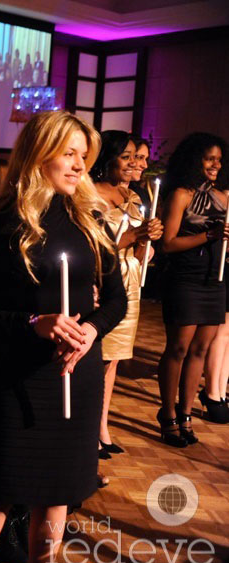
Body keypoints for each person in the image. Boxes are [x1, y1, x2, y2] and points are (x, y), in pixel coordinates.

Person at [0, 111, 127, 563]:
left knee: (58, 499)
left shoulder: (90, 219)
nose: (79, 166)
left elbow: (117, 300)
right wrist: (31, 324)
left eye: (84, 156)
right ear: (39, 154)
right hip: (19, 374)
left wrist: (90, 331)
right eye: (69, 154)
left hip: (77, 372)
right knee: (2, 491)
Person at [90, 131, 163, 471]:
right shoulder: (88, 194)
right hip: (101, 281)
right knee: (94, 359)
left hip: (129, 281)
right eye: (127, 156)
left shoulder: (132, 195)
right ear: (108, 158)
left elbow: (137, 249)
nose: (135, 162)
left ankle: (102, 425)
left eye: (138, 156)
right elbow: (91, 248)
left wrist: (147, 242)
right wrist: (132, 236)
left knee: (113, 360)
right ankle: (86, 429)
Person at [157, 132, 229, 445]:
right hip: (185, 279)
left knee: (200, 350)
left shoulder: (225, 197)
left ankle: (186, 413)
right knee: (179, 348)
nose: (216, 164)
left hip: (215, 280)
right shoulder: (181, 194)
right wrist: (209, 236)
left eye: (219, 159)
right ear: (194, 159)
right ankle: (168, 414)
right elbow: (168, 243)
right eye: (209, 158)